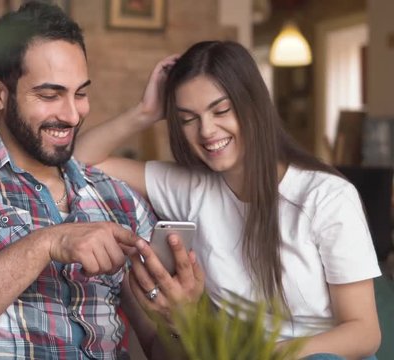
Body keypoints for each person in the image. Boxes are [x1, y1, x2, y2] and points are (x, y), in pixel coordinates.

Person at [0, 2, 203, 359]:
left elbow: (162, 349)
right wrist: (47, 243)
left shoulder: (118, 198)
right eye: (50, 95)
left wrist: (180, 320)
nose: (71, 114)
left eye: (80, 94)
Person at [75, 40, 382, 359]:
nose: (207, 131)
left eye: (221, 110)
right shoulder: (191, 186)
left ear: (253, 105)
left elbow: (364, 332)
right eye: (188, 119)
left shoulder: (326, 197)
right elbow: (81, 161)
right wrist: (145, 112)